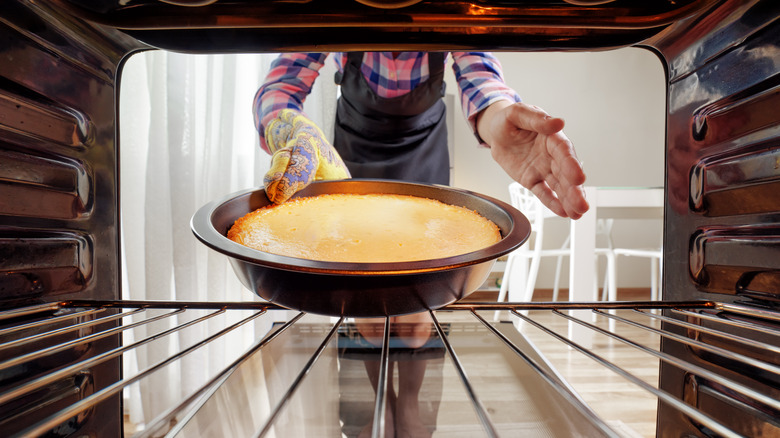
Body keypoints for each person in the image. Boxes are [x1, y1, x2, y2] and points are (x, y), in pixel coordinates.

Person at [253, 51, 589, 218]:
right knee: (360, 290)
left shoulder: (455, 8)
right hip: (353, 154)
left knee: (421, 305)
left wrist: (500, 117)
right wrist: (292, 130)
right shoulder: (333, 8)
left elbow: (480, 76)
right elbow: (279, 88)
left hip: (424, 153)